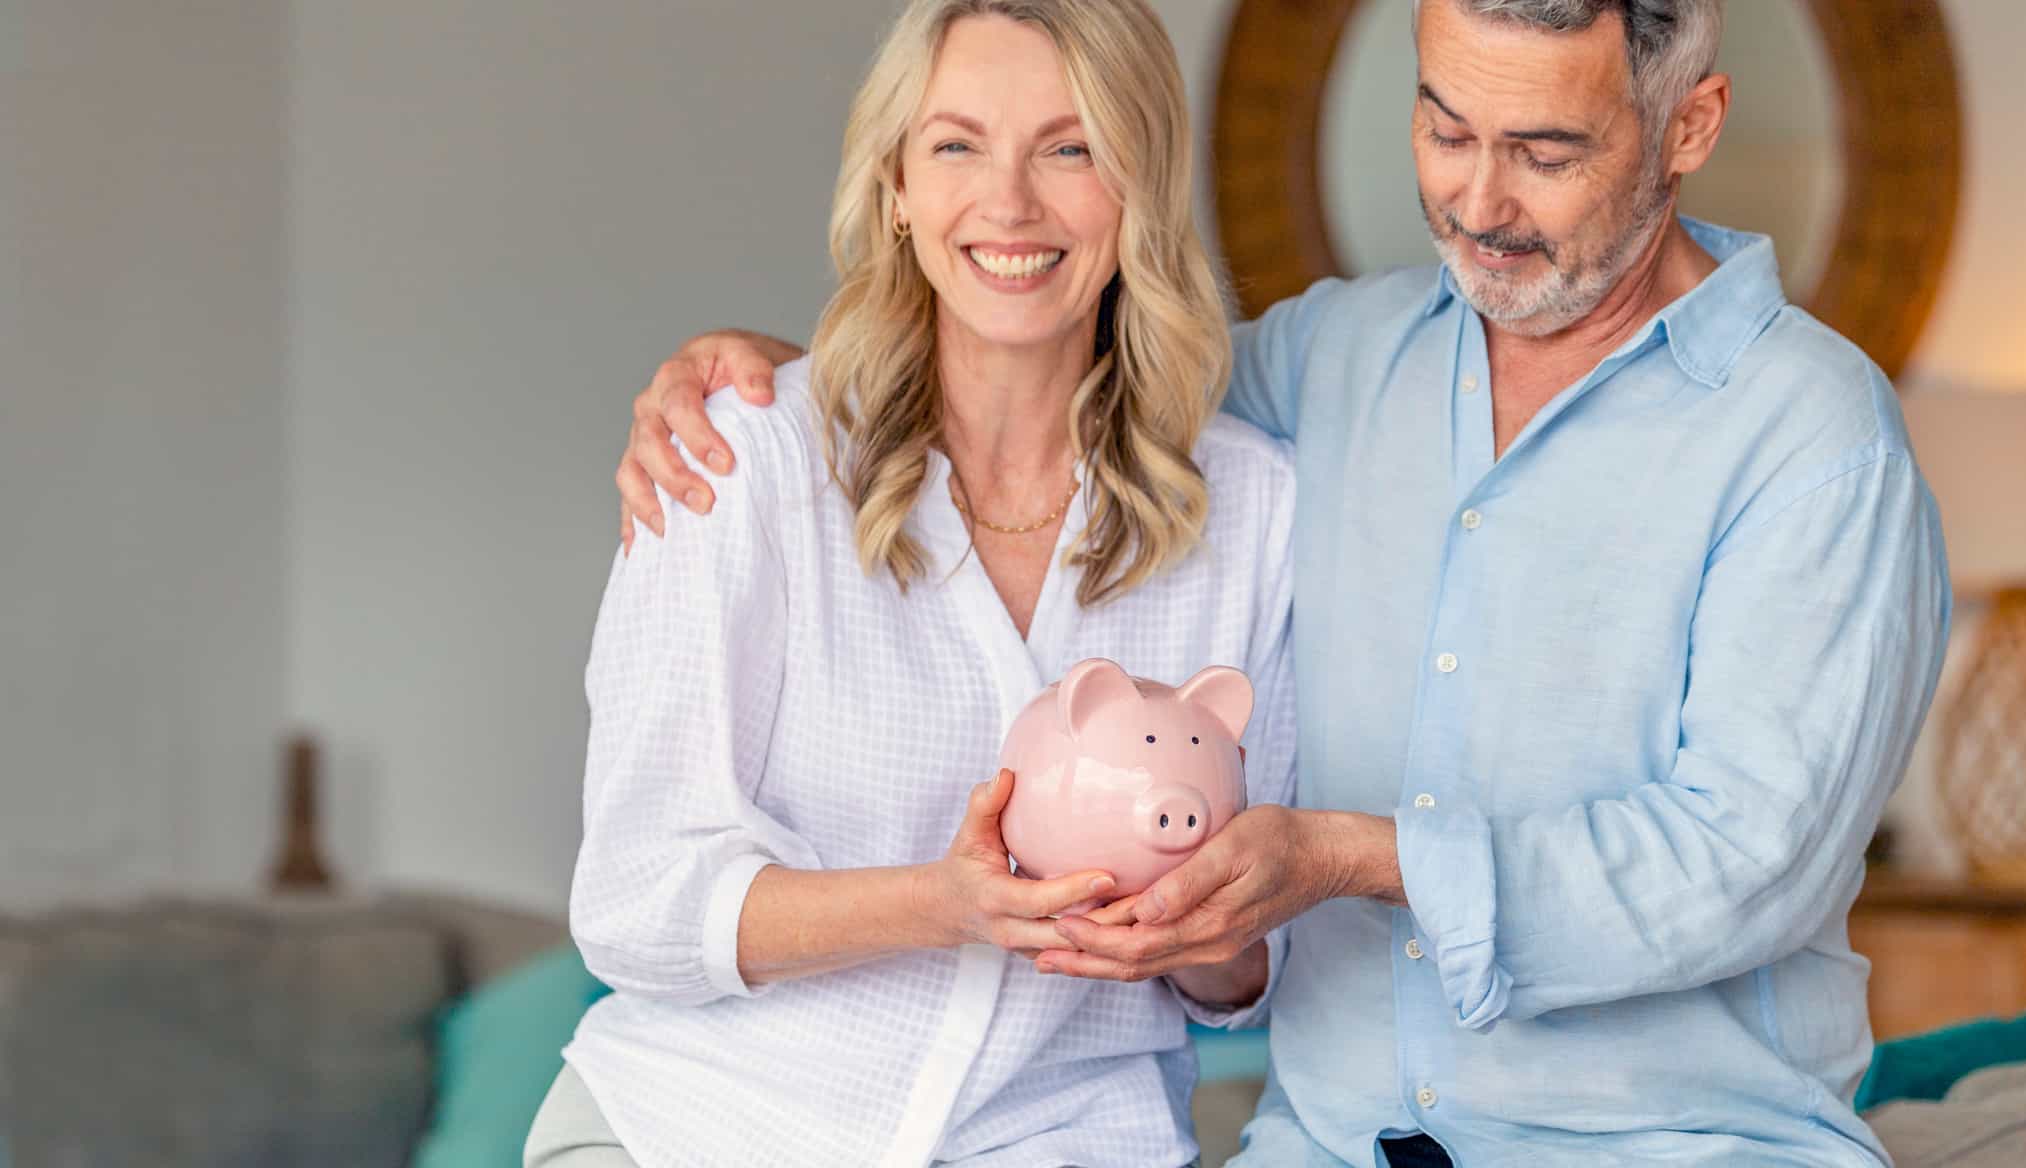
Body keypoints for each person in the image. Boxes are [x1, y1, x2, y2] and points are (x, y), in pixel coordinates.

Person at [607, 0, 1954, 1165]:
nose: (1479, 202)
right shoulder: (1337, 358)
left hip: (1673, 1144)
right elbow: (1047, 352)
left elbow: (1744, 863)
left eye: (1545, 152)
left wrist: (1353, 860)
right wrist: (794, 383)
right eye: (1443, 131)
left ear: (1688, 126)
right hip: (1333, 1142)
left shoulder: (1813, 441)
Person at [529, 2, 1300, 1166]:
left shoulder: (1251, 511)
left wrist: (1188, 920)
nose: (1011, 202)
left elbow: (1244, 980)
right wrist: (946, 905)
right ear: (894, 186)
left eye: (1070, 145)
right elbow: (635, 905)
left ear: (1140, 182)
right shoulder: (739, 463)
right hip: (701, 1128)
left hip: (1061, 1140)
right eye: (955, 145)